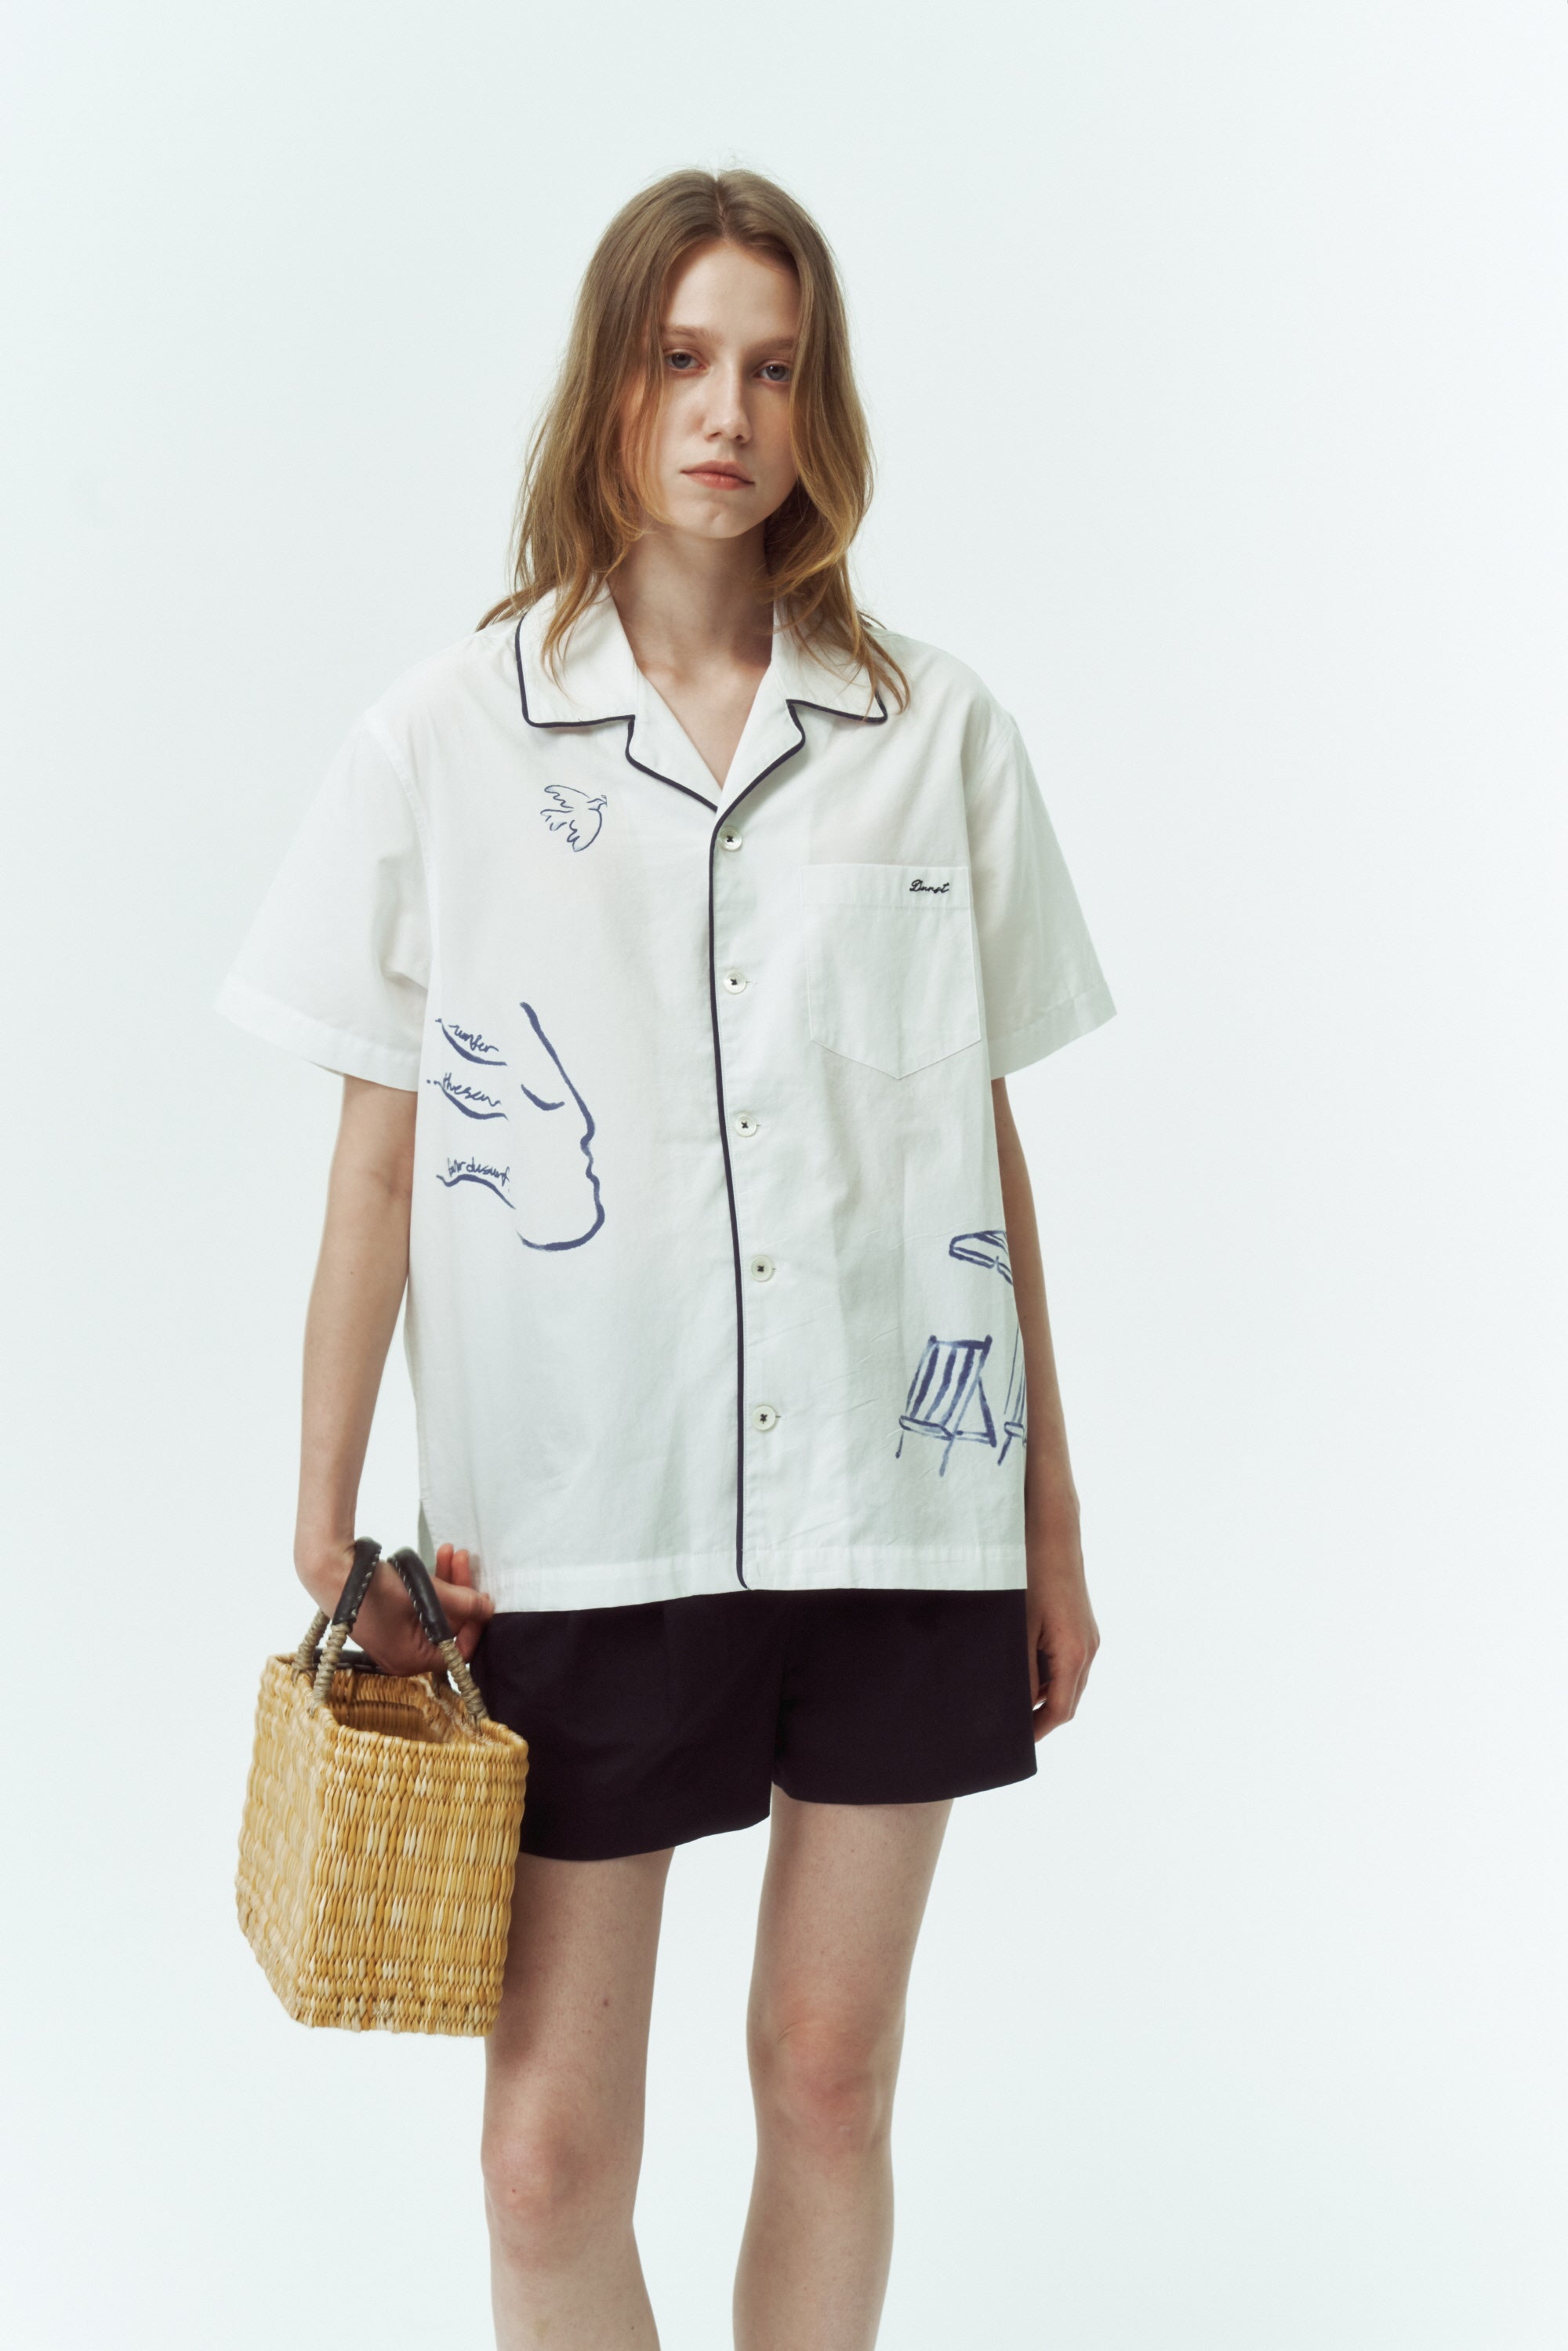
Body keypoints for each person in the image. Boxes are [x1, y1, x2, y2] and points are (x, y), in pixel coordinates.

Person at [217, 166, 1115, 2351]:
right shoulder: (444, 740)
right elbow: (374, 1165)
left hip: (898, 1512)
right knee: (547, 2156)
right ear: (610, 383)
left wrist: (1052, 1528)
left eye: (776, 370)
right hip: (578, 1516)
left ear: (822, 409)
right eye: (685, 357)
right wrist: (326, 1517)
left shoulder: (937, 735)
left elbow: (980, 1150)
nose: (730, 412)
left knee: (829, 2078)